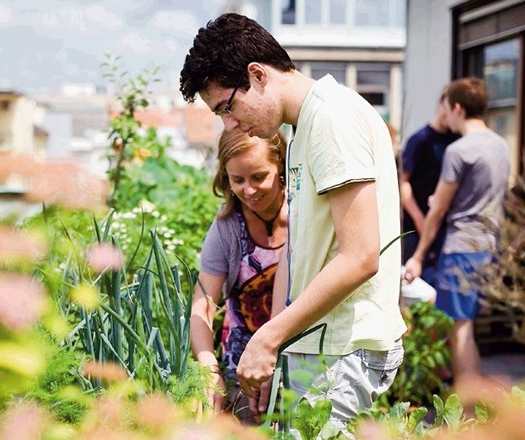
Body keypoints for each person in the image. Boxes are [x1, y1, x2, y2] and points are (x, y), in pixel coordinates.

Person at [180, 13, 406, 433]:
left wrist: (266, 338)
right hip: (315, 346)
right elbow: (298, 254)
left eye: (227, 107)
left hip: (343, 347)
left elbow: (361, 256)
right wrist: (278, 345)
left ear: (257, 75)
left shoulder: (332, 119)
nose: (229, 124)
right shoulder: (303, 129)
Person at [403, 77, 510, 389]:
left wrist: (419, 256)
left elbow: (438, 210)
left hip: (461, 246)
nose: (444, 115)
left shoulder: (459, 150)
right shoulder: (500, 144)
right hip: (489, 245)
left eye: (447, 108)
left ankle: (466, 410)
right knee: (466, 325)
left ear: (458, 108)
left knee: (459, 329)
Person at [191, 128, 288, 424]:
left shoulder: (304, 215)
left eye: (259, 177)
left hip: (299, 366)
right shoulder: (227, 227)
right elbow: (203, 304)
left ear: (281, 167)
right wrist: (208, 366)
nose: (249, 190)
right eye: (238, 180)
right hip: (243, 369)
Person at [400, 89, 460, 286]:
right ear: (440, 105)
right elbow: (403, 183)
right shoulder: (420, 139)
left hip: (444, 225)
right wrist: (419, 218)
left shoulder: (457, 140)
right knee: (417, 284)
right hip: (417, 226)